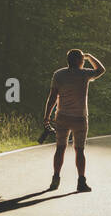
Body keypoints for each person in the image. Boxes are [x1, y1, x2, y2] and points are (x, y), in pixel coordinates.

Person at [42, 49, 105, 192]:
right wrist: (90, 56)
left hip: (62, 117)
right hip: (80, 118)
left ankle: (55, 178)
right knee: (79, 150)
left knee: (60, 148)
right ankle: (81, 182)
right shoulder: (84, 74)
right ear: (79, 61)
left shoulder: (58, 74)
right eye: (82, 59)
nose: (83, 61)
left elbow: (52, 97)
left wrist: (47, 116)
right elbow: (101, 69)